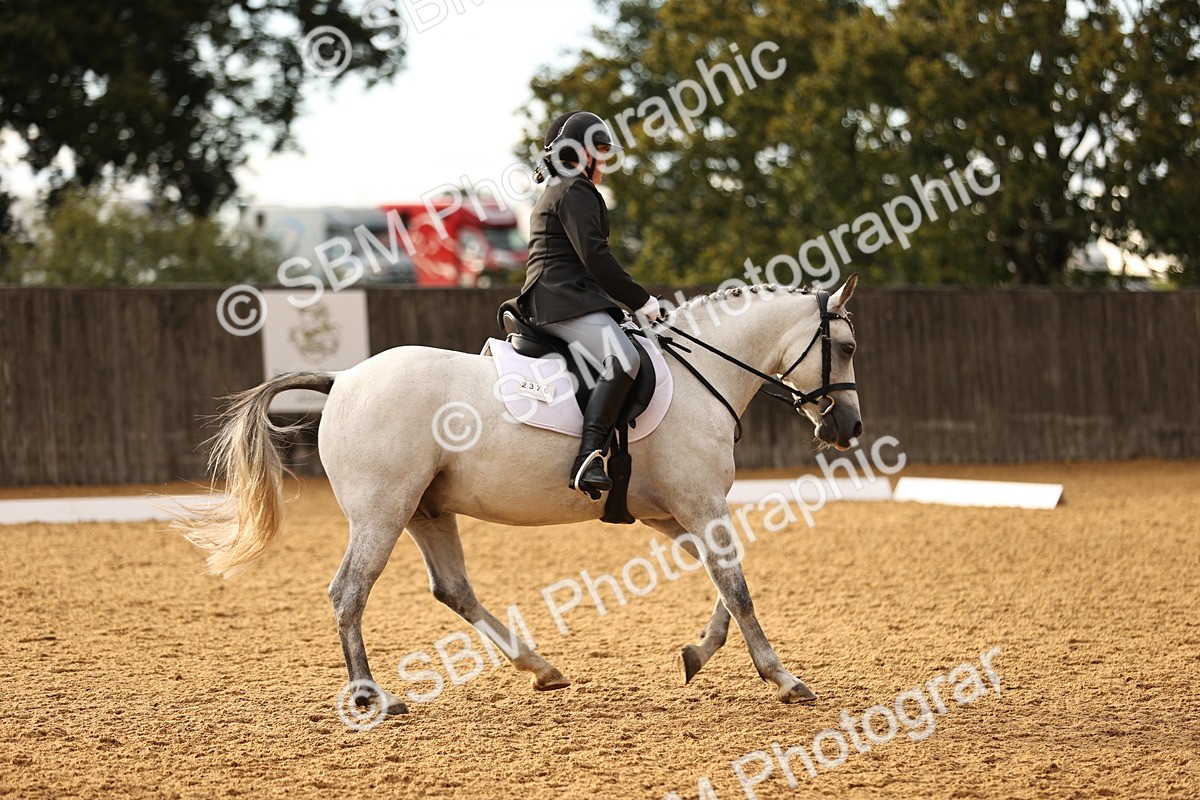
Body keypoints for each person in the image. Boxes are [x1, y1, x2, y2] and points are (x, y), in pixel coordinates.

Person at [516, 110, 663, 500]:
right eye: (600, 148)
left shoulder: (563, 188)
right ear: (578, 152)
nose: (605, 159)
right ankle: (588, 456)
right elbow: (595, 257)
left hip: (564, 295)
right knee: (625, 359)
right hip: (561, 297)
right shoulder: (575, 190)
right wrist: (642, 300)